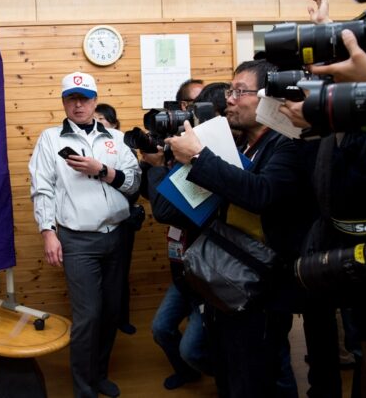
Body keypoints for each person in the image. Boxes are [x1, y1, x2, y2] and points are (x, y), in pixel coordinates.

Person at [164, 59, 316, 398]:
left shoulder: (287, 143)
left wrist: (200, 159)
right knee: (229, 373)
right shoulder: (245, 143)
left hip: (262, 289)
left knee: (253, 380)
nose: (230, 99)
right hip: (231, 281)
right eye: (230, 91)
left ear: (267, 98)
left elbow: (262, 194)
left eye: (239, 91)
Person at [29, 72, 141, 398]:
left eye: (85, 98)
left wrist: (101, 170)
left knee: (110, 313)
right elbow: (42, 189)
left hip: (117, 236)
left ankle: (99, 375)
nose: (78, 104)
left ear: (94, 100)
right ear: (64, 102)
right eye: (71, 98)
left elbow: (133, 183)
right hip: (77, 240)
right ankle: (83, 388)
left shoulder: (116, 139)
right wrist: (48, 233)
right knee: (88, 317)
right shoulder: (51, 139)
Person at [146, 82, 229, 390]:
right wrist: (155, 165)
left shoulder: (212, 154)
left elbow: (166, 211)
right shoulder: (181, 150)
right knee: (161, 329)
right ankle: (189, 372)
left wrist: (160, 169)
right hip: (184, 269)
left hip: (208, 272)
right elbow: (155, 198)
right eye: (186, 105)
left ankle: (227, 377)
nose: (188, 114)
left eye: (196, 107)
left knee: (193, 348)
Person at [95, 103, 144, 336]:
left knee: (120, 273)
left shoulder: (124, 147)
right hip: (93, 224)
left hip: (122, 220)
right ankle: (101, 321)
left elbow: (134, 186)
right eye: (95, 119)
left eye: (103, 119)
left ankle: (121, 318)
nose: (98, 122)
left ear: (114, 124)